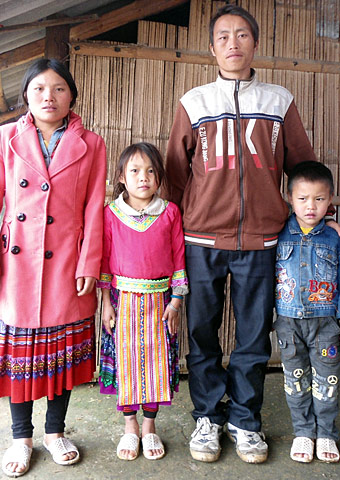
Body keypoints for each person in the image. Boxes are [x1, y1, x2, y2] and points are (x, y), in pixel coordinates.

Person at [165, 4, 339, 465]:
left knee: (252, 336)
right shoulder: (194, 101)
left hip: (263, 240)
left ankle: (245, 419)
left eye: (242, 35)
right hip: (201, 241)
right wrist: (188, 220)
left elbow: (303, 169)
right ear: (212, 48)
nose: (233, 43)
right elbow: (175, 173)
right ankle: (207, 416)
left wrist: (325, 216)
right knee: (201, 332)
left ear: (255, 44)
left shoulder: (279, 100)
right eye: (223, 36)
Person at [0, 58, 106, 477]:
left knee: (61, 352)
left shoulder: (91, 144)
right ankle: (20, 436)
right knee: (22, 352)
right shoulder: (5, 138)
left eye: (59, 88)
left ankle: (55, 431)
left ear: (72, 96)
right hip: (16, 263)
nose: (49, 96)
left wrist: (90, 262)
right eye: (40, 88)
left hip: (67, 261)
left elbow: (95, 209)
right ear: (26, 94)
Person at [97, 142, 188, 461]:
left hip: (160, 304)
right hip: (122, 302)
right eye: (135, 170)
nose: (143, 177)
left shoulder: (170, 212)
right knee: (127, 366)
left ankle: (149, 427)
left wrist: (175, 302)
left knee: (155, 366)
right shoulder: (110, 214)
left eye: (151, 171)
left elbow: (179, 261)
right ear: (121, 176)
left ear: (160, 177)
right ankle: (130, 426)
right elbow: (105, 262)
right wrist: (106, 303)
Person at [274, 161, 340, 464]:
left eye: (319, 199)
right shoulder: (278, 234)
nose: (310, 206)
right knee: (295, 379)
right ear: (290, 198)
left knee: (327, 381)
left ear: (330, 200)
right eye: (302, 199)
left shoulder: (334, 237)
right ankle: (303, 430)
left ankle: (326, 432)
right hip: (289, 323)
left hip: (326, 323)